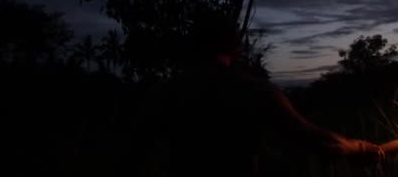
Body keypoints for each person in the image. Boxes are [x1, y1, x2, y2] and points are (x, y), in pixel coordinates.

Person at [164, 10, 384, 176]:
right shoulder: (254, 91)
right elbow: (322, 142)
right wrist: (361, 147)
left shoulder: (167, 93)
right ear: (236, 46)